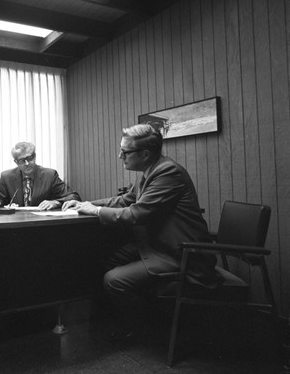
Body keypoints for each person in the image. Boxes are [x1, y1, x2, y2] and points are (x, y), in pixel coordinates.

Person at [63, 124, 220, 334]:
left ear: (145, 154)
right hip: (157, 246)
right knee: (106, 260)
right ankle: (128, 319)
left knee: (114, 280)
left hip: (180, 253)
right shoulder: (150, 170)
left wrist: (95, 210)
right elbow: (125, 199)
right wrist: (86, 204)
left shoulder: (168, 172)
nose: (120, 156)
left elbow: (135, 214)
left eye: (125, 152)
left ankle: (146, 328)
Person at [0, 141, 81, 209]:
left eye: (29, 158)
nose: (27, 163)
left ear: (35, 156)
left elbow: (73, 197)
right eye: (21, 161)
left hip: (42, 224)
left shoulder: (50, 175)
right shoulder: (6, 177)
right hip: (15, 224)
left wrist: (55, 202)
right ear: (16, 162)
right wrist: (7, 208)